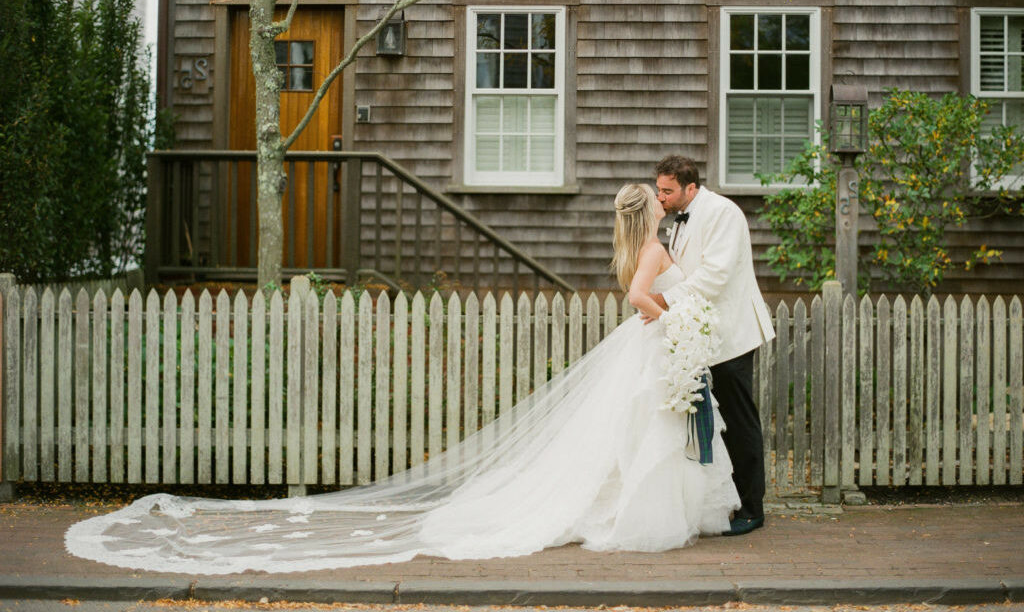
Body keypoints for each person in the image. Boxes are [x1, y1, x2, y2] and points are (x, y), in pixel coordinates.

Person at [65, 184, 739, 575]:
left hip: (649, 348)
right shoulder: (652, 247)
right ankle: (646, 516)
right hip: (656, 340)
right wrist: (677, 316)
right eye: (660, 203)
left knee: (639, 428)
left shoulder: (629, 247)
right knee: (650, 428)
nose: (665, 210)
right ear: (650, 211)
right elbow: (641, 300)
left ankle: (640, 506)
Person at [651, 155, 775, 536]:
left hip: (732, 334)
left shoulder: (724, 212)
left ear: (691, 187)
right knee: (712, 424)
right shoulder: (680, 218)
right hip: (701, 335)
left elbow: (715, 275)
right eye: (659, 190)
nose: (661, 197)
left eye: (667, 191)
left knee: (738, 422)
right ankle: (727, 501)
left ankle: (753, 509)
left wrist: (664, 303)